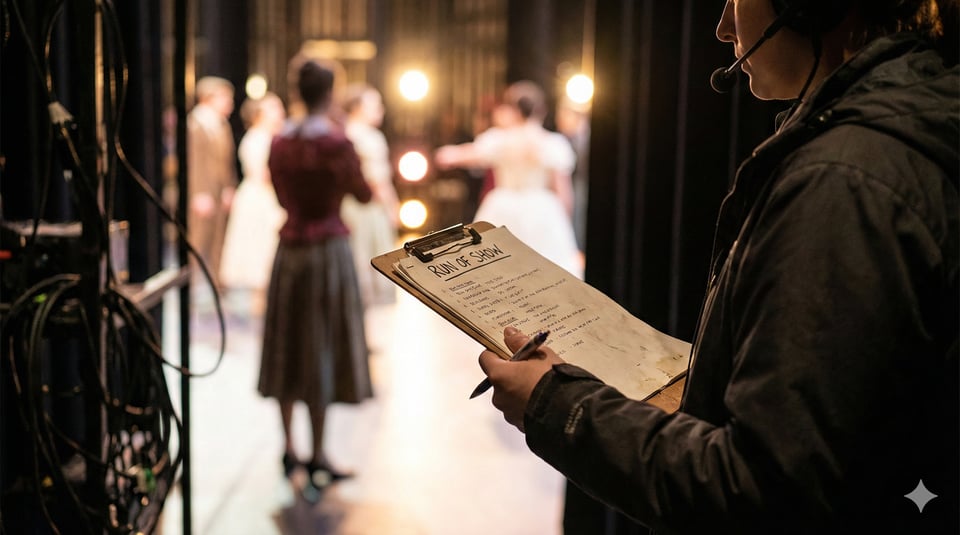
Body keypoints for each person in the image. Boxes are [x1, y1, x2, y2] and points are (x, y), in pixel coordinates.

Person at [476, 1, 958, 533]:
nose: (724, 28)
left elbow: (757, 494)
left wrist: (554, 403)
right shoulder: (913, 122)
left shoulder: (843, 180)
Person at [258, 59, 373, 490]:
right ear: (332, 91)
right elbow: (363, 194)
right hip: (327, 252)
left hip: (289, 251)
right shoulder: (337, 142)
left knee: (288, 344)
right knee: (320, 345)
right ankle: (319, 452)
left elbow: (279, 194)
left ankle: (289, 448)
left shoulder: (279, 142)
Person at [435, 81, 583, 278]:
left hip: (503, 205)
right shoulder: (552, 143)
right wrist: (563, 221)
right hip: (542, 208)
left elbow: (467, 154)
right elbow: (563, 190)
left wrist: (447, 154)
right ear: (541, 110)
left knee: (497, 269)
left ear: (513, 109)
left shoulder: (501, 139)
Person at [219, 92, 287, 317]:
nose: (280, 113)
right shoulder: (257, 138)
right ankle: (262, 308)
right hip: (260, 198)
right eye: (274, 108)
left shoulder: (270, 137)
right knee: (261, 248)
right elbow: (261, 174)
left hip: (266, 196)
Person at [340, 83, 400, 307]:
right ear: (357, 107)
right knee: (369, 253)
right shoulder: (366, 137)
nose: (380, 109)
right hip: (367, 205)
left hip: (348, 204)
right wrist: (391, 205)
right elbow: (376, 180)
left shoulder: (345, 131)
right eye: (374, 104)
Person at [187, 76, 237, 291]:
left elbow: (227, 162)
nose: (230, 103)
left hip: (218, 190)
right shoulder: (195, 124)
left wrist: (229, 187)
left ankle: (217, 283)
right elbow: (194, 162)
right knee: (198, 239)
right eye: (225, 97)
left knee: (219, 239)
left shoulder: (222, 124)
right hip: (203, 192)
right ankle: (189, 285)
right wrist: (198, 193)